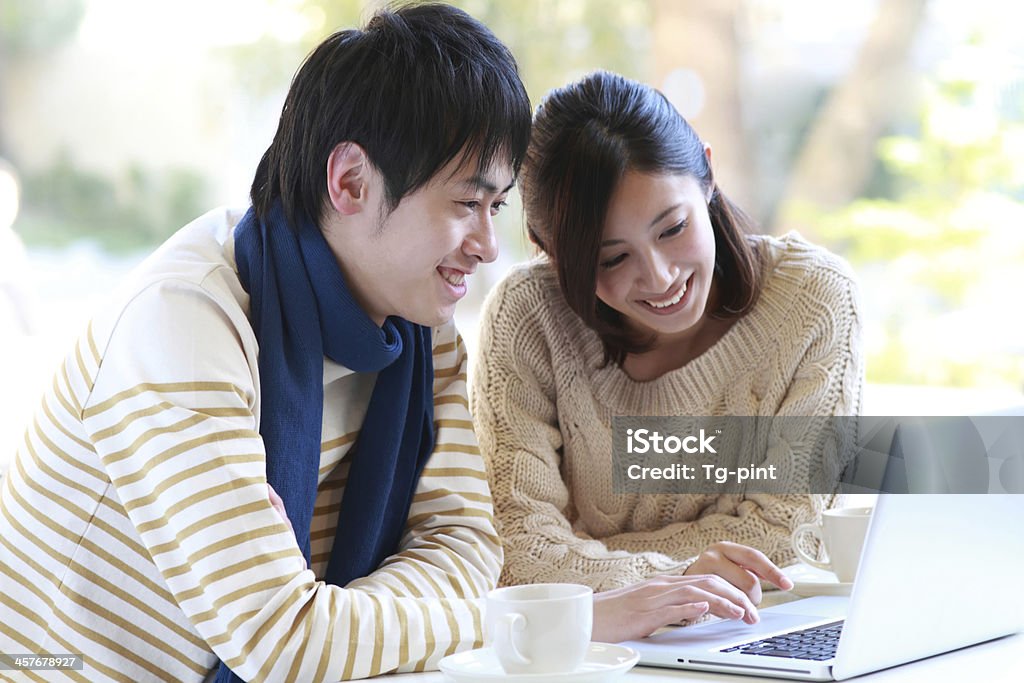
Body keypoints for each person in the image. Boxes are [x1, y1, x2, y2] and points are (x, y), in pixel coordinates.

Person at [0, 9, 771, 681]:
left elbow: (469, 547)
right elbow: (283, 640)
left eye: (497, 207)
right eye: (467, 204)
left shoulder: (421, 329)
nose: (487, 247)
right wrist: (556, 616)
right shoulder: (186, 327)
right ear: (349, 182)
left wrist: (328, 614)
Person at [471, 71, 864, 637]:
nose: (659, 277)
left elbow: (791, 532)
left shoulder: (813, 301)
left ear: (707, 172)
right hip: (591, 651)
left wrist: (593, 555)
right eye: (611, 260)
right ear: (552, 253)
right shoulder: (530, 317)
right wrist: (680, 577)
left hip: (753, 634)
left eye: (672, 228)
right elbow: (517, 549)